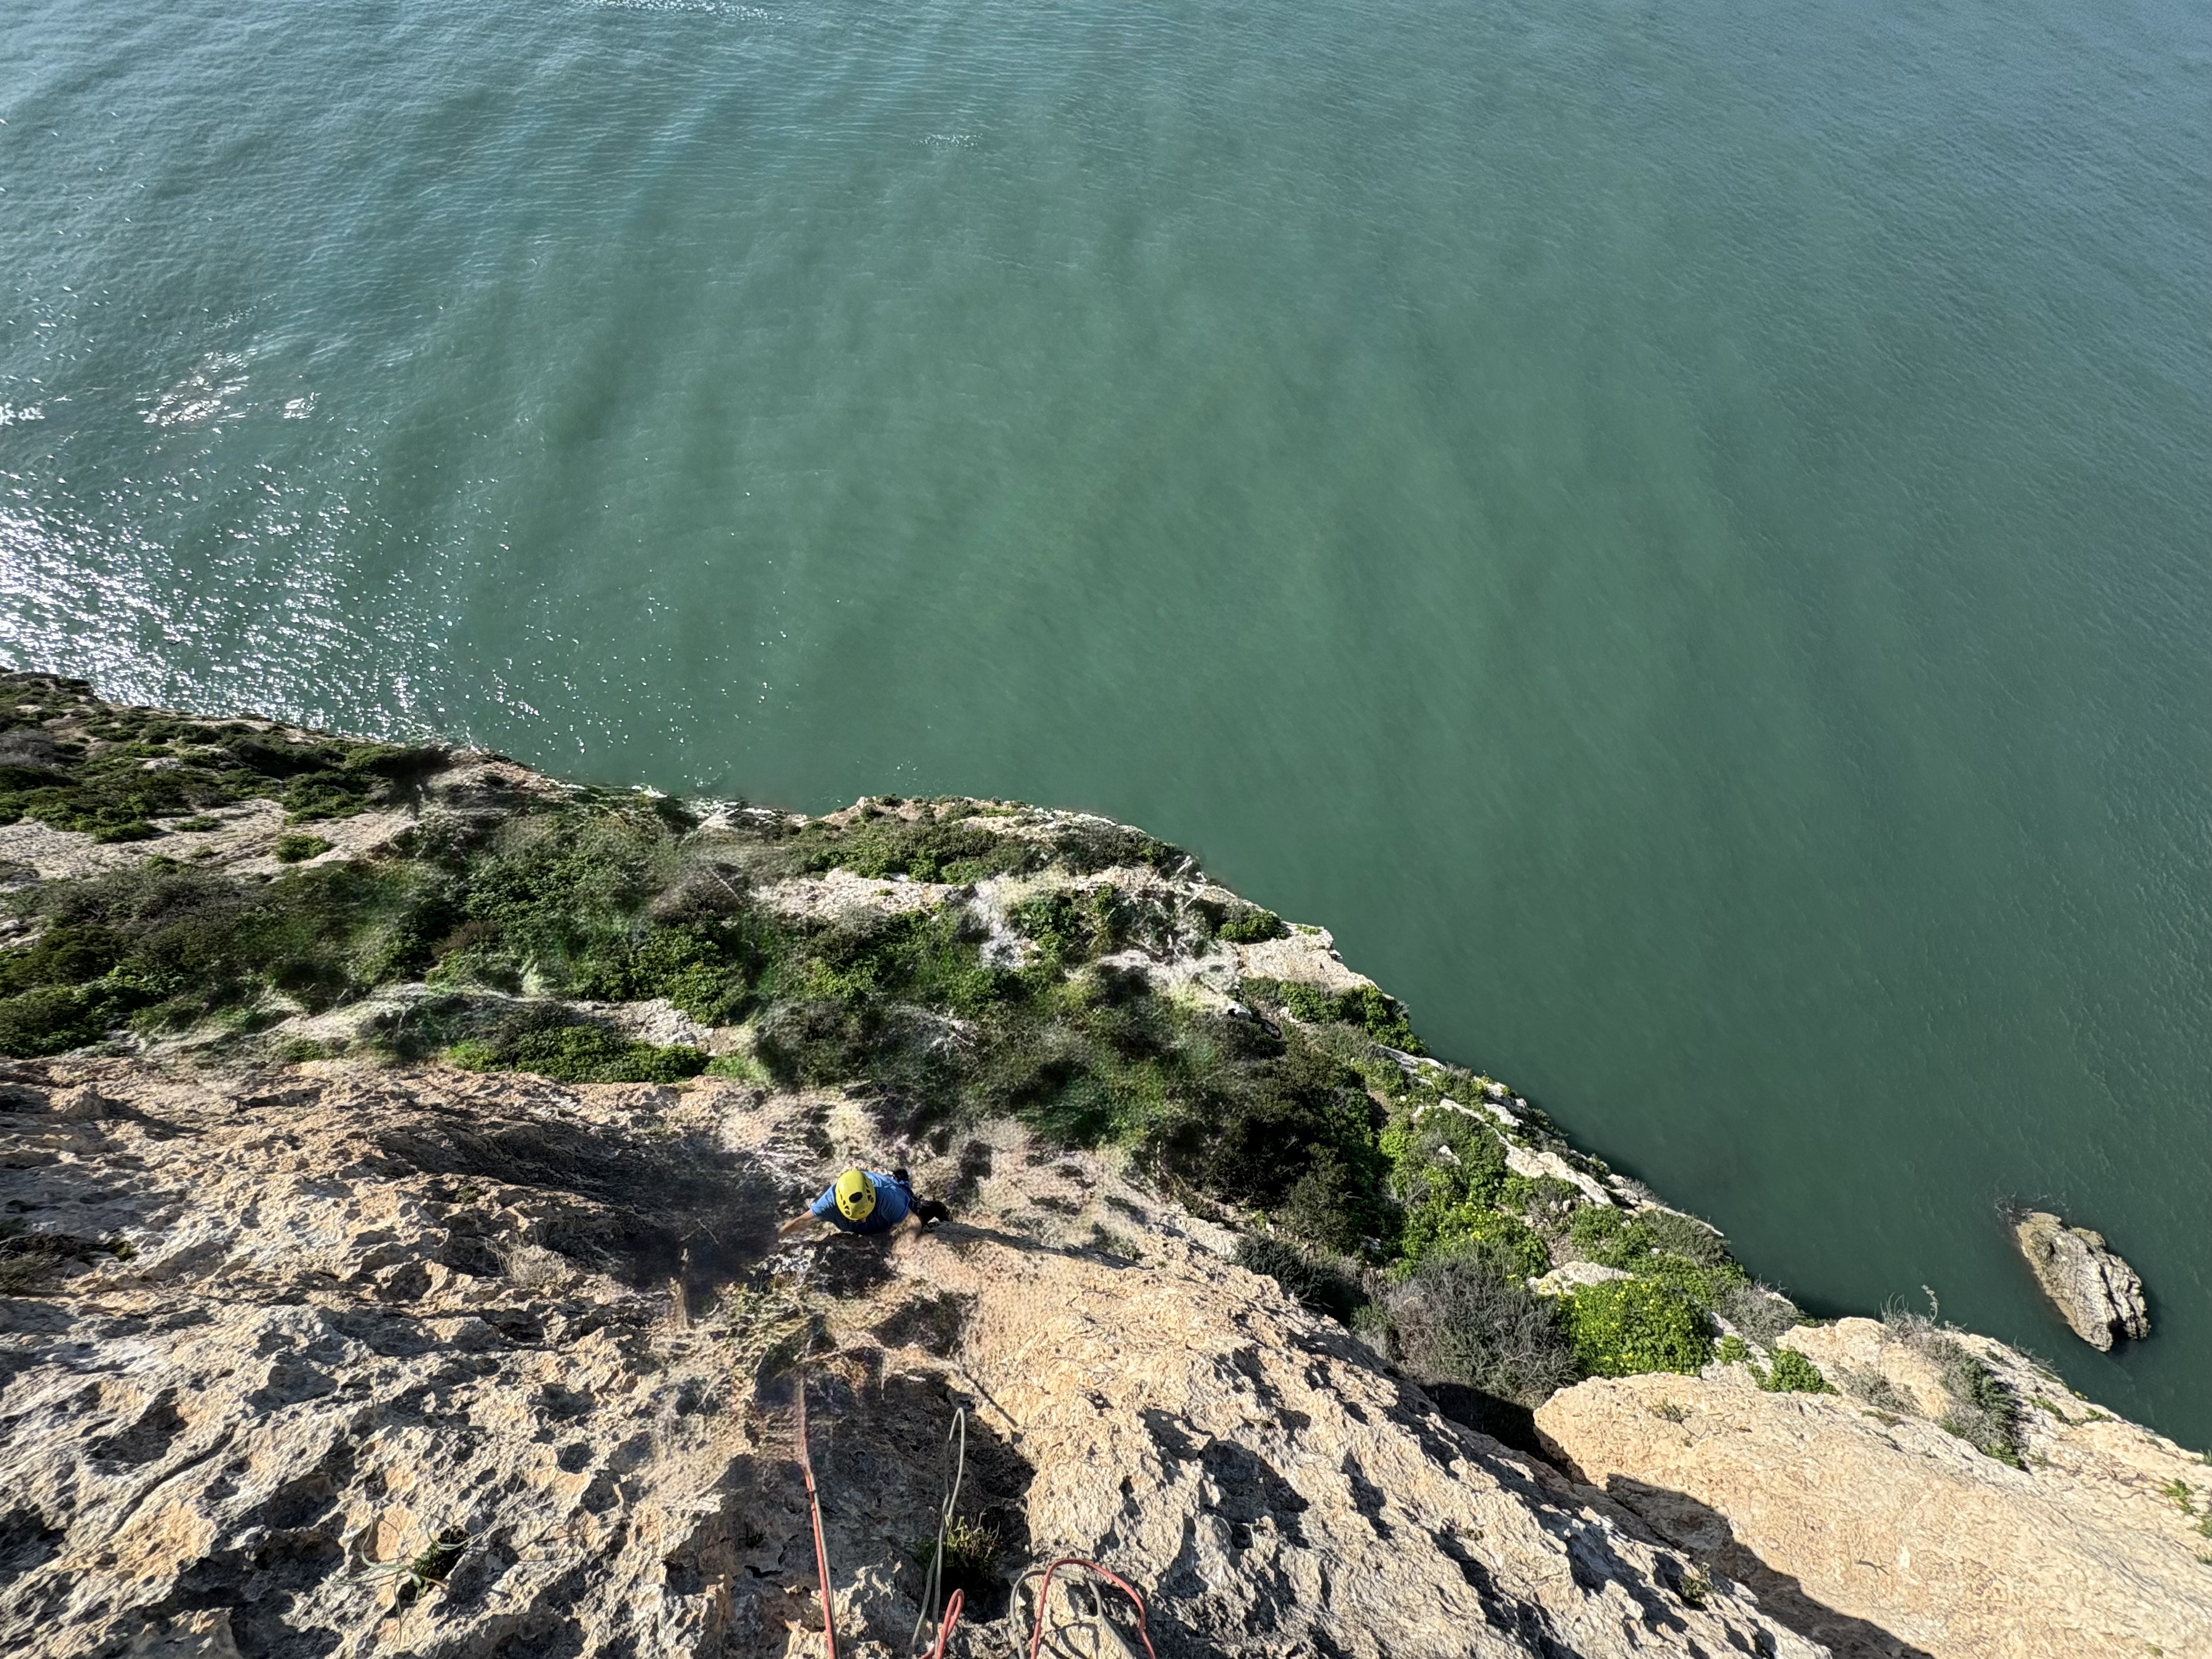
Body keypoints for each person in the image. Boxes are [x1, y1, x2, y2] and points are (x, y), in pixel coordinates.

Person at [779, 1166, 950, 1238]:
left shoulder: (887, 1198)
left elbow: (912, 1227)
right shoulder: (828, 1205)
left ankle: (903, 1183)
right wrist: (777, 1239)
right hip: (875, 1196)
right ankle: (900, 1178)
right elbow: (800, 1222)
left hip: (893, 1195)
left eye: (866, 1214)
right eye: (856, 1217)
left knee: (915, 1208)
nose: (863, 1220)